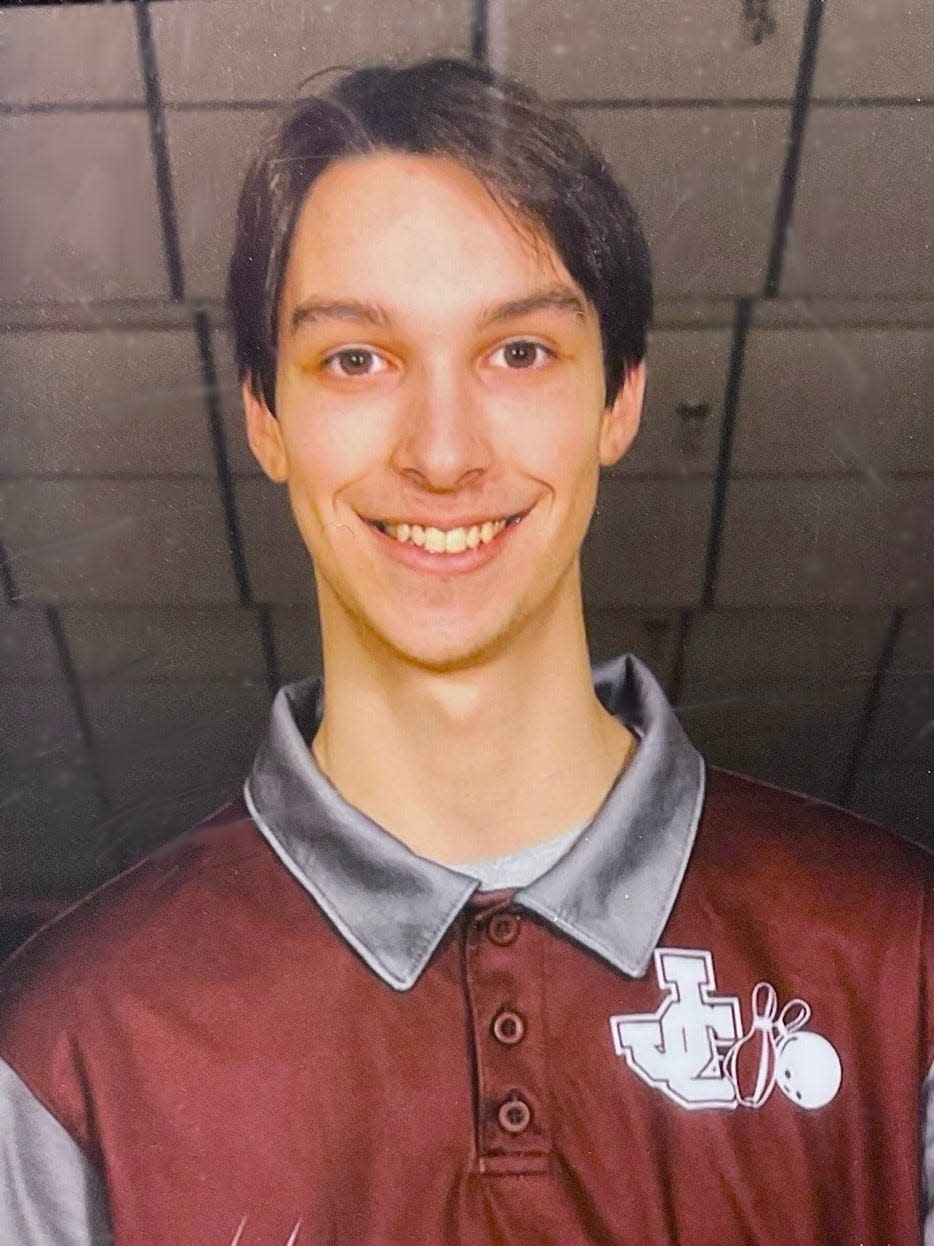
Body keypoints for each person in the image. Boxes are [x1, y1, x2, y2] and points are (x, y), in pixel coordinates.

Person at [0, 56, 931, 1245]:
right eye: (355, 358)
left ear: (622, 397)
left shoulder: (900, 965)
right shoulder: (65, 1052)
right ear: (264, 416)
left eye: (518, 353)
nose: (442, 451)